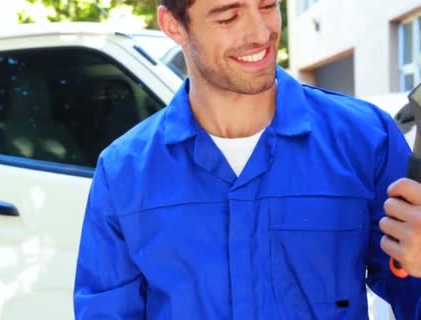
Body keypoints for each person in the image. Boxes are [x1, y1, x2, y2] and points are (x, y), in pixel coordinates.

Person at [73, 0, 421, 318]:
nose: (261, 33)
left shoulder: (366, 140)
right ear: (174, 25)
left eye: (268, 5)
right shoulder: (123, 172)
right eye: (229, 15)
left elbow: (411, 294)